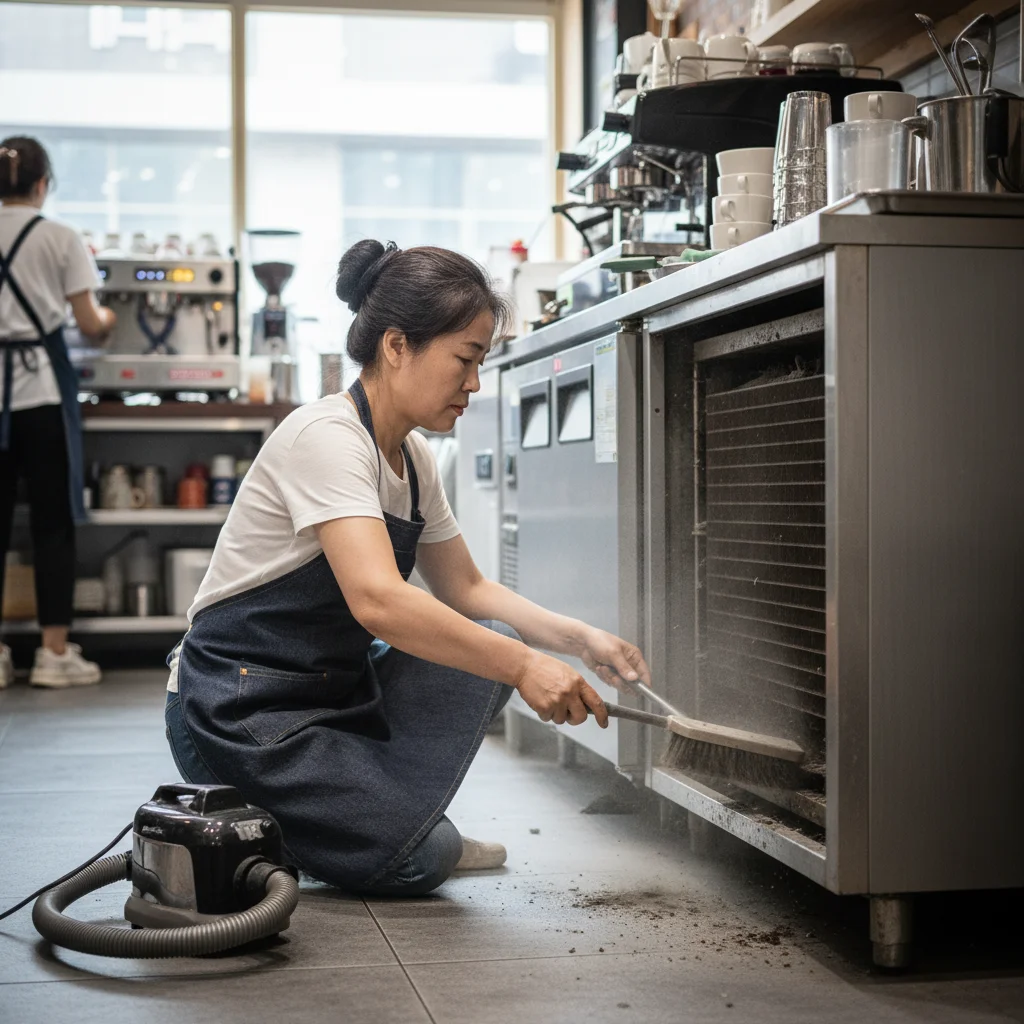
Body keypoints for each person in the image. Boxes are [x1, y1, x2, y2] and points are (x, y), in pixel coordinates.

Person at [164, 238, 651, 896]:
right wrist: (527, 667)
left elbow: (466, 588)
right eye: (466, 359)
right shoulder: (327, 437)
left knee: (495, 647)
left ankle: (384, 826)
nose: (474, 384)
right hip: (237, 713)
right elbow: (378, 601)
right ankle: (372, 834)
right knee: (425, 856)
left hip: (333, 702)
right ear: (397, 346)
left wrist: (580, 639)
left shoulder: (413, 458)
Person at [0, 137, 114, 690]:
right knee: (52, 524)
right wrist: (110, 317)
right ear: (43, 184)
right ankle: (52, 653)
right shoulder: (60, 237)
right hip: (41, 393)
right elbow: (90, 324)